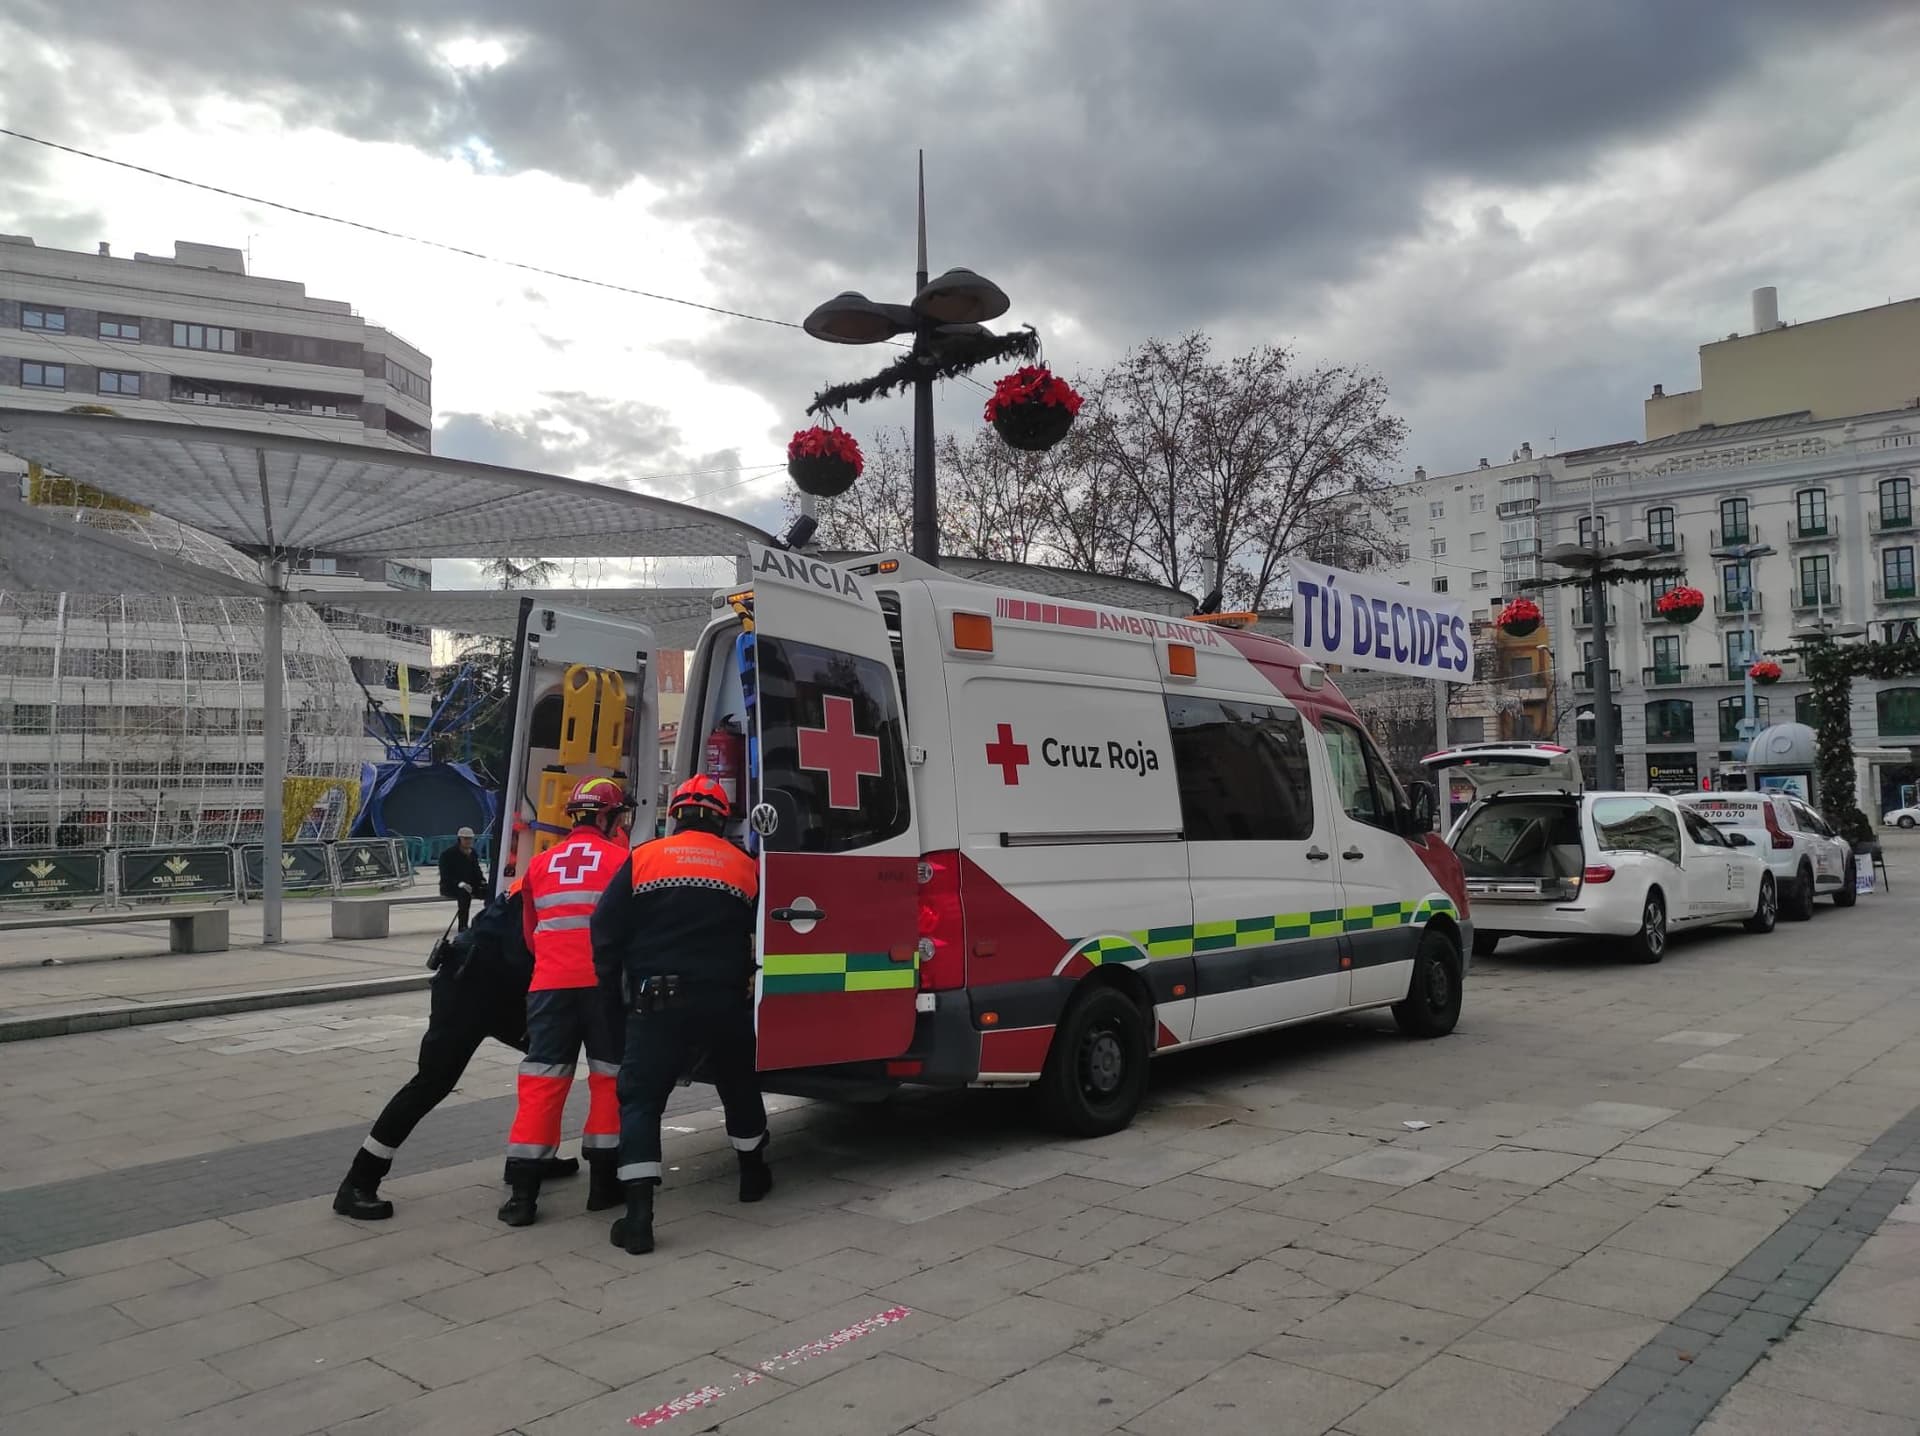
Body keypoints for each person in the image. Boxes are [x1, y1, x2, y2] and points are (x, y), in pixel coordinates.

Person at [592, 774, 769, 1256]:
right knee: (739, 1085)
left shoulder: (644, 858)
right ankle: (753, 1176)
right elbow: (764, 930)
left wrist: (611, 993)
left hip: (658, 1002)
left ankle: (638, 1218)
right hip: (724, 1002)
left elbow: (605, 927)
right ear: (721, 819)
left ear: (675, 815)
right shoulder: (744, 865)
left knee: (641, 1101)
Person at [332, 883, 580, 1220]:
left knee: (549, 1059)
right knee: (432, 1082)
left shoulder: (543, 875)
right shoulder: (554, 882)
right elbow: (524, 950)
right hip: (469, 985)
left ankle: (529, 1157)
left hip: (488, 982)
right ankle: (358, 1181)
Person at [497, 776, 634, 1226]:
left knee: (543, 1081)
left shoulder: (539, 865)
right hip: (603, 988)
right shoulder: (622, 861)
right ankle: (603, 1187)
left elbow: (530, 935)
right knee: (609, 1079)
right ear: (606, 817)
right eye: (619, 816)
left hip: (549, 988)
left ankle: (522, 1197)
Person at [439, 826, 487, 932]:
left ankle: (488, 922)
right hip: (452, 886)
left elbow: (477, 871)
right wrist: (461, 884)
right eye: (465, 838)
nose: (468, 841)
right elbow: (446, 875)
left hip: (470, 884)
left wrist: (482, 881)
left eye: (470, 839)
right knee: (464, 894)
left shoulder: (473, 853)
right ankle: (463, 927)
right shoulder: (448, 854)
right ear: (460, 839)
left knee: (490, 891)